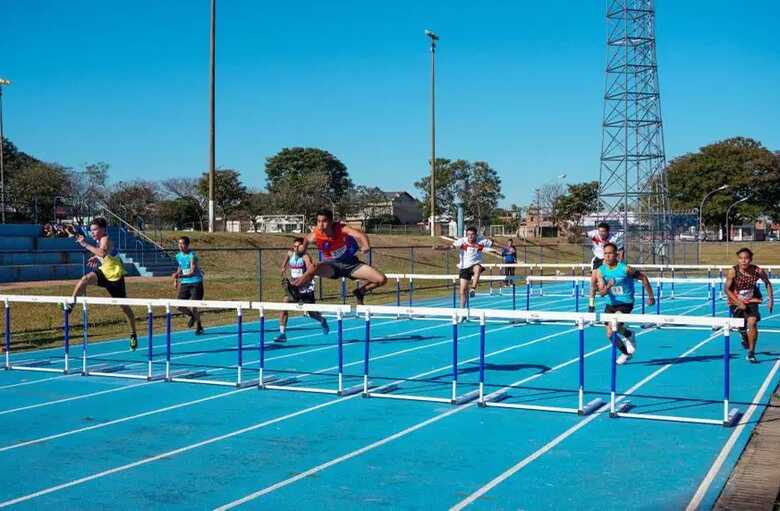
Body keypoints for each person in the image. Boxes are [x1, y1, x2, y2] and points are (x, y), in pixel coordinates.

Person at [68, 217, 138, 350]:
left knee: (125, 308)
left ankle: (133, 333)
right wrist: (96, 257)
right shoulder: (100, 241)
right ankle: (72, 304)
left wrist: (85, 245)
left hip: (115, 277)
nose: (92, 232)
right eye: (91, 230)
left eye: (94, 230)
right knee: (85, 279)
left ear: (103, 229)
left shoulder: (105, 239)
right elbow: (103, 254)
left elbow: (103, 251)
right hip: (103, 273)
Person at [293, 209, 387, 305]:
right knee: (313, 268)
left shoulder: (342, 228)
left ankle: (360, 292)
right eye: (318, 221)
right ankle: (295, 289)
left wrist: (366, 245)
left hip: (351, 265)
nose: (321, 225)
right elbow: (304, 244)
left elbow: (360, 235)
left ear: (331, 222)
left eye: (324, 221)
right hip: (332, 265)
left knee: (381, 279)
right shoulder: (314, 236)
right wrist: (300, 251)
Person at [595, 243, 654, 365]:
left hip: (625, 302)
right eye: (605, 254)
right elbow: (601, 293)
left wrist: (651, 296)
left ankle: (628, 335)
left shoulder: (625, 269)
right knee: (610, 334)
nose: (607, 256)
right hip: (610, 303)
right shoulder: (601, 271)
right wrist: (609, 286)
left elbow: (643, 277)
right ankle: (627, 349)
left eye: (610, 253)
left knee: (613, 324)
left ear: (616, 254)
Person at [274, 237, 329, 343]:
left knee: (312, 313)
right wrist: (283, 267)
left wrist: (303, 278)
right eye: (294, 246)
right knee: (284, 305)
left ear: (302, 247)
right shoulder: (290, 253)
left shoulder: (305, 256)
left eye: (298, 246)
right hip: (294, 287)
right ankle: (282, 333)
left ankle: (322, 320)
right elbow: (287, 257)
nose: (296, 248)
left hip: (305, 287)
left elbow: (310, 269)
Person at [724, 247, 774, 363]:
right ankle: (743, 334)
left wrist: (771, 299)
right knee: (741, 325)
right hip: (735, 300)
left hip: (751, 300)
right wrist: (738, 302)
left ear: (750, 259)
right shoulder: (733, 271)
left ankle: (751, 352)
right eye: (741, 258)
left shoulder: (757, 271)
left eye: (746, 258)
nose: (743, 261)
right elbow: (726, 289)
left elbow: (767, 283)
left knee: (752, 322)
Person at [453, 226, 494, 309]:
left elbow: (493, 243)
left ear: (476, 235)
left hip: (475, 265)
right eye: (468, 234)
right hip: (464, 267)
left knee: (477, 267)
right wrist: (439, 248)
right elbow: (450, 247)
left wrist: (504, 247)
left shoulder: (481, 241)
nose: (470, 236)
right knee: (462, 291)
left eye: (472, 234)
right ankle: (462, 311)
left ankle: (473, 288)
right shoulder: (462, 241)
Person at [587, 222, 624, 312]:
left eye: (603, 232)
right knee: (592, 282)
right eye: (600, 231)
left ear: (608, 232)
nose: (601, 233)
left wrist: (621, 263)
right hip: (597, 260)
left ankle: (616, 300)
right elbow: (580, 234)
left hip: (608, 261)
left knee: (606, 283)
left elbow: (621, 251)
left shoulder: (613, 239)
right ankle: (591, 305)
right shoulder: (594, 234)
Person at [173, 236, 204, 335]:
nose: (180, 246)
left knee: (194, 306)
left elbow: (192, 272)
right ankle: (193, 317)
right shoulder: (178, 256)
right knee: (178, 305)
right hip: (185, 283)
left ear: (187, 245)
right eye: (179, 244)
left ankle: (199, 326)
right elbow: (180, 267)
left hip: (196, 282)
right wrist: (176, 279)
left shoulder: (192, 256)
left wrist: (179, 275)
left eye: (182, 244)